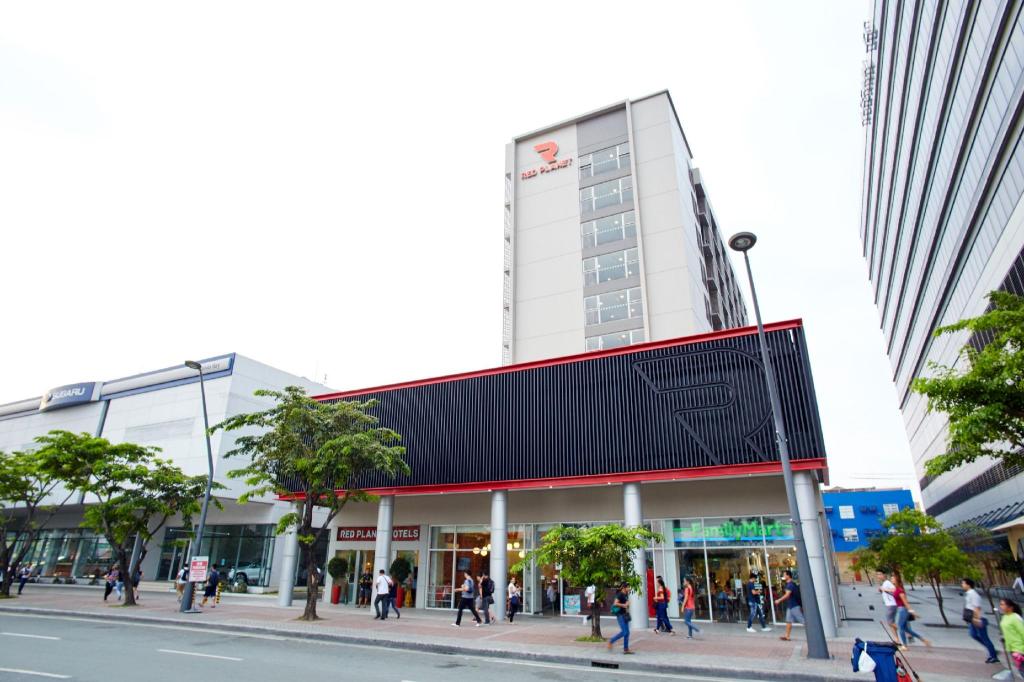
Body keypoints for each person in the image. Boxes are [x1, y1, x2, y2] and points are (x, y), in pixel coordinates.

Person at [962, 577, 999, 663]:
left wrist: (977, 619)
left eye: (963, 583)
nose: (962, 585)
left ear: (968, 585)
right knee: (973, 634)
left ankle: (993, 656)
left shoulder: (973, 594)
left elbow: (977, 608)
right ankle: (991, 650)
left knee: (984, 638)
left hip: (979, 618)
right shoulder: (969, 594)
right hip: (973, 619)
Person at [893, 574, 930, 649]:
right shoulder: (896, 589)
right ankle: (924, 640)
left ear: (897, 580)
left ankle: (904, 646)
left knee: (900, 628)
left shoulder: (900, 590)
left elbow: (905, 602)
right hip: (901, 609)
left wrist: (912, 612)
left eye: (893, 578)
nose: (891, 579)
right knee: (906, 629)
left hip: (903, 610)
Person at [774, 570, 804, 642]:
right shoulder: (790, 584)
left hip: (794, 606)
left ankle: (814, 633)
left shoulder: (790, 585)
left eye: (784, 575)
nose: (783, 576)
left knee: (803, 621)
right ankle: (787, 636)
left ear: (788, 576)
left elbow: (787, 595)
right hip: (790, 606)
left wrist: (779, 600)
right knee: (788, 621)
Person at [999, 598, 1024, 676]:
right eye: (1000, 604)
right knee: (1020, 669)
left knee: (1022, 670)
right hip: (1011, 647)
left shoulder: (1015, 618)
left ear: (1010, 607)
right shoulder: (1005, 616)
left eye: (1003, 605)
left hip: (1019, 648)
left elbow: (1022, 632)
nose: (1001, 607)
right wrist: (1004, 637)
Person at [607, 583, 633, 654]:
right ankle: (611, 641)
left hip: (624, 614)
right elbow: (615, 603)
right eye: (628, 587)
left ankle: (626, 649)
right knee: (624, 632)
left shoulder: (625, 595)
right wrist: (623, 605)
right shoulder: (620, 594)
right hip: (620, 615)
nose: (629, 588)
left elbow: (626, 604)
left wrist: (627, 604)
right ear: (624, 588)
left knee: (627, 633)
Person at [876, 569, 898, 640]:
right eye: (877, 574)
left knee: (890, 623)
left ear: (884, 575)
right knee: (891, 623)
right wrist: (881, 590)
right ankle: (897, 639)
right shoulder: (884, 583)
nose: (878, 576)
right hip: (889, 604)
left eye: (880, 574)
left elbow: (895, 590)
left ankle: (904, 630)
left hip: (891, 605)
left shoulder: (887, 582)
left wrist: (884, 589)